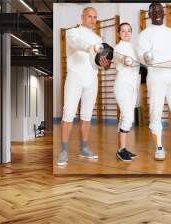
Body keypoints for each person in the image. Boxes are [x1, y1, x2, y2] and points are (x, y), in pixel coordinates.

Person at [56, 7, 111, 166]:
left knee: (86, 115)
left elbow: (99, 61)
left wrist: (105, 65)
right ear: (82, 17)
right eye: (89, 16)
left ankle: (84, 148)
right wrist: (90, 47)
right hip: (75, 77)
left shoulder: (98, 38)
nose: (92, 20)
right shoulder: (72, 32)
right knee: (68, 113)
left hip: (92, 79)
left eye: (95, 17)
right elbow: (77, 44)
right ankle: (64, 150)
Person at [137, 2, 171, 161]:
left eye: (160, 10)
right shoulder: (144, 34)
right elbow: (142, 56)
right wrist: (145, 56)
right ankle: (159, 147)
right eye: (154, 11)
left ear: (164, 13)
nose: (157, 13)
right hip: (155, 76)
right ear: (149, 14)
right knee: (155, 111)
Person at [113, 23, 140, 162]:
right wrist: (124, 60)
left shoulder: (132, 48)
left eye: (129, 30)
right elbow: (116, 57)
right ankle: (121, 150)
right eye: (123, 31)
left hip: (132, 86)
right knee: (128, 117)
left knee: (125, 117)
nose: (126, 33)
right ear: (119, 33)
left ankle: (121, 149)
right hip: (122, 85)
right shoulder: (119, 47)